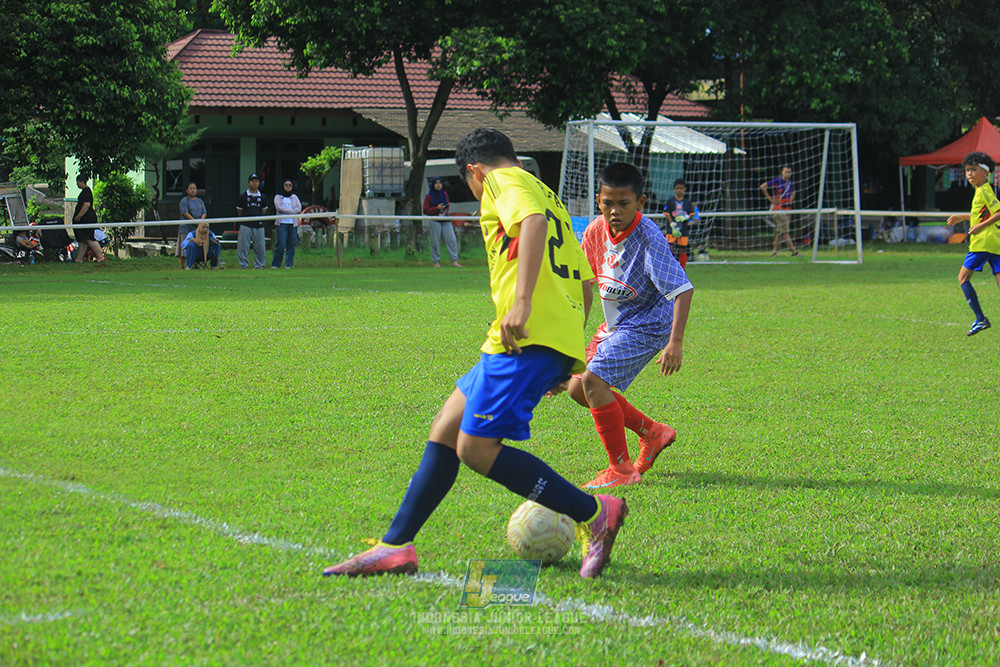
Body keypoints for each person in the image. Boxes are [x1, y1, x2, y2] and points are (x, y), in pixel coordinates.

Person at [323, 128, 627, 579]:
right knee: (447, 427)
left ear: (474, 171)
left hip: (526, 334)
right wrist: (564, 351)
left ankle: (595, 511)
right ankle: (397, 545)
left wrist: (524, 306)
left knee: (476, 448)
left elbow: (532, 227)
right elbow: (584, 282)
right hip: (534, 337)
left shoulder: (503, 181)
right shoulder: (546, 193)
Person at [565, 163, 693, 489]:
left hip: (648, 324)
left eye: (624, 204)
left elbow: (682, 289)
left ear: (641, 202)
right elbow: (584, 284)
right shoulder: (595, 231)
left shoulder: (649, 237)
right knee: (577, 388)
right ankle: (652, 433)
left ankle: (621, 470)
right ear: (599, 200)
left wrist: (675, 342)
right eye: (609, 203)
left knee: (593, 381)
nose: (615, 211)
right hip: (617, 323)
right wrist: (565, 344)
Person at [946, 151, 1000, 335]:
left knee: (963, 278)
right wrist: (963, 217)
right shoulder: (980, 190)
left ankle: (980, 319)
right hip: (994, 243)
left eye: (973, 170)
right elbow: (981, 215)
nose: (969, 174)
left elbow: (999, 212)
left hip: (983, 244)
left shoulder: (984, 190)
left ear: (985, 172)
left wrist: (978, 227)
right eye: (967, 170)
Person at [760, 167, 799, 257]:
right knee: (785, 232)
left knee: (779, 232)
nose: (788, 174)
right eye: (786, 172)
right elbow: (763, 186)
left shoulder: (790, 183)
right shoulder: (777, 181)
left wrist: (791, 199)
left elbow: (793, 191)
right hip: (779, 209)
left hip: (787, 209)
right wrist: (771, 199)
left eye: (789, 172)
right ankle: (794, 252)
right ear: (782, 172)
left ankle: (774, 252)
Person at [423, 176, 462, 268]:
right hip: (435, 221)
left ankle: (454, 260)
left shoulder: (444, 194)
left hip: (445, 220)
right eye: (436, 183)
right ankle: (436, 261)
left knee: (451, 240)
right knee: (435, 241)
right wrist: (436, 209)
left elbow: (447, 205)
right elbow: (426, 210)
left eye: (440, 183)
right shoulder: (429, 197)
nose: (438, 185)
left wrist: (444, 210)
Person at [663, 178, 698, 269]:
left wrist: (686, 217)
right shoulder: (670, 201)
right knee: (669, 248)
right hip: (672, 230)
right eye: (677, 188)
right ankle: (668, 268)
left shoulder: (687, 202)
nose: (679, 190)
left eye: (681, 188)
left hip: (683, 229)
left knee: (683, 248)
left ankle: (682, 269)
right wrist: (672, 224)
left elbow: (691, 214)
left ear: (685, 189)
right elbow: (667, 214)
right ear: (674, 189)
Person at [236, 173, 268, 269]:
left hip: (259, 226)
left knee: (260, 247)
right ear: (249, 183)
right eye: (253, 181)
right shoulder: (243, 196)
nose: (254, 183)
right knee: (243, 247)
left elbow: (263, 210)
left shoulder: (262, 197)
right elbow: (239, 211)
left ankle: (259, 265)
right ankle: (243, 265)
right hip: (246, 225)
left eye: (256, 181)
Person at [72, 175, 106, 264]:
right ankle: (79, 259)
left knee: (89, 238)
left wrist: (79, 216)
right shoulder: (86, 191)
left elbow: (86, 205)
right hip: (84, 220)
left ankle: (100, 257)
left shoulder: (86, 192)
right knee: (82, 239)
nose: (77, 184)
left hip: (86, 219)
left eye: (77, 182)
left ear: (81, 181)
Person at [272, 178, 302, 269]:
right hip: (282, 223)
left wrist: (291, 212)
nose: (288, 187)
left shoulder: (295, 197)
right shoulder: (278, 197)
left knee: (292, 244)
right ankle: (276, 264)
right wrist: (291, 211)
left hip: (292, 224)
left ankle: (288, 265)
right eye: (286, 185)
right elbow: (279, 207)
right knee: (281, 244)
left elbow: (299, 208)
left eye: (290, 185)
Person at [178, 182, 208, 269]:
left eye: (194, 188)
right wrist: (195, 221)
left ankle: (195, 264)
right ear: (187, 190)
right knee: (184, 246)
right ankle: (182, 266)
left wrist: (201, 222)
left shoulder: (200, 201)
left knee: (196, 245)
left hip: (197, 229)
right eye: (190, 188)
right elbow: (185, 213)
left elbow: (204, 212)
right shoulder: (184, 201)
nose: (192, 190)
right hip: (186, 228)